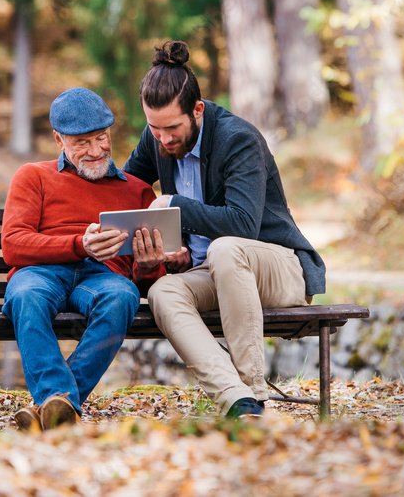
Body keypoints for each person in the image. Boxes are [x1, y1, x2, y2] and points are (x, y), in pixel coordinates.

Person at [123, 40, 327, 419]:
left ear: (197, 110)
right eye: (154, 128)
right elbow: (123, 189)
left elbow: (243, 223)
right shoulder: (157, 141)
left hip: (276, 267)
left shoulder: (238, 139)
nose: (164, 139)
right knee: (164, 291)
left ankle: (254, 389)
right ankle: (238, 400)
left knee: (226, 248)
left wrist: (176, 208)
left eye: (172, 128)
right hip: (212, 275)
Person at [1, 87, 177, 431]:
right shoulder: (33, 176)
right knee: (25, 296)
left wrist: (147, 264)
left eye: (102, 138)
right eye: (82, 142)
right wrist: (80, 244)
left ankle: (54, 404)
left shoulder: (137, 190)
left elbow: (148, 278)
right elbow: (13, 244)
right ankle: (60, 399)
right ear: (58, 139)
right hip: (40, 273)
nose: (96, 151)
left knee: (122, 295)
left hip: (103, 277)